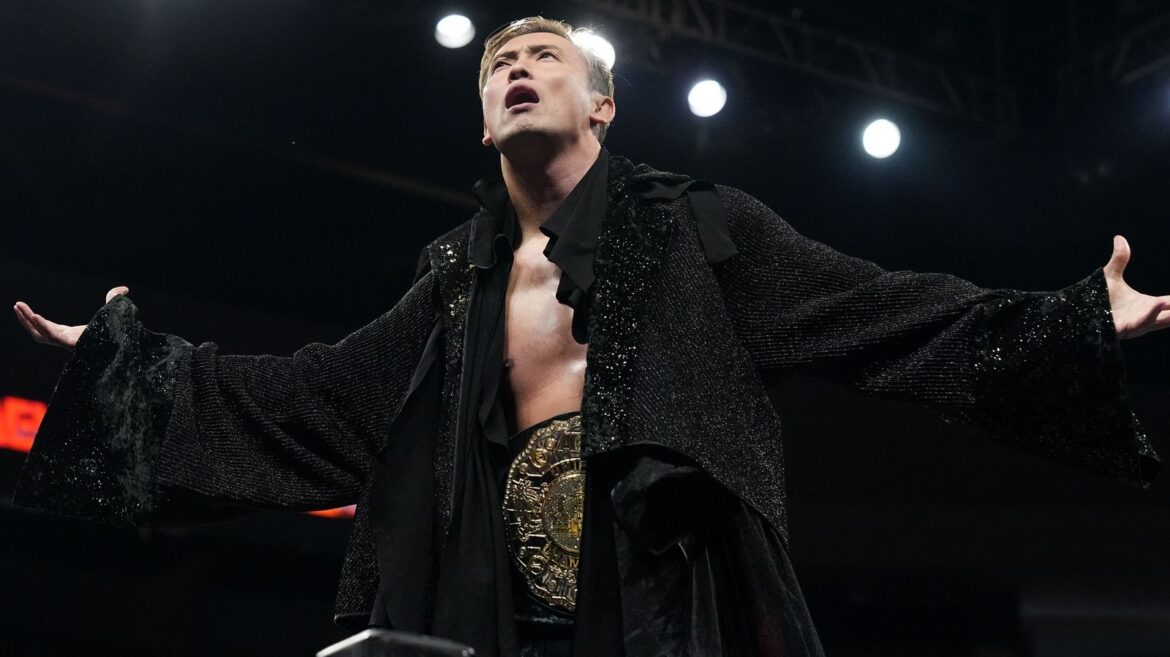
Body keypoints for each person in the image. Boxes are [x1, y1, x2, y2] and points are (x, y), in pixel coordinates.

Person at [11, 15, 1168, 657]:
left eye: (542, 58)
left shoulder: (702, 227)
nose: (515, 70)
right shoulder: (452, 277)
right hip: (490, 608)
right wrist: (127, 368)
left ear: (602, 106)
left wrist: (1069, 320)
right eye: (497, 66)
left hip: (666, 595)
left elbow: (877, 309)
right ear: (483, 118)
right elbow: (321, 400)